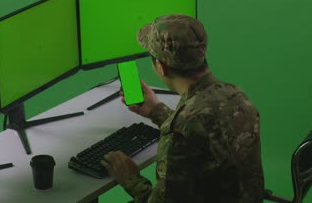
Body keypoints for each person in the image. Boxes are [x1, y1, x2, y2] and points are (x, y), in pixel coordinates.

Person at [100, 14, 264, 202]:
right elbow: (205, 134)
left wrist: (130, 178)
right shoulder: (235, 95)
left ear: (160, 66)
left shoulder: (181, 129)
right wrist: (156, 110)